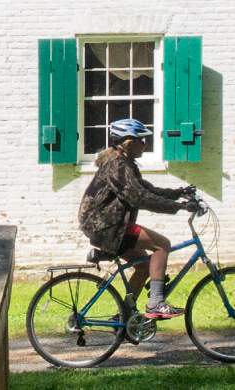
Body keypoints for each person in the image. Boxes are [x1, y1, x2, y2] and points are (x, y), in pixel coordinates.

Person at [78, 119, 198, 319]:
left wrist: (178, 193)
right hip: (108, 227)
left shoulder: (124, 164)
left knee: (143, 267)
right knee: (162, 245)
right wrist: (179, 207)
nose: (145, 144)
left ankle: (124, 317)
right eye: (141, 140)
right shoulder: (116, 165)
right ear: (128, 142)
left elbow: (146, 189)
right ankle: (156, 304)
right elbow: (139, 197)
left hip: (108, 226)